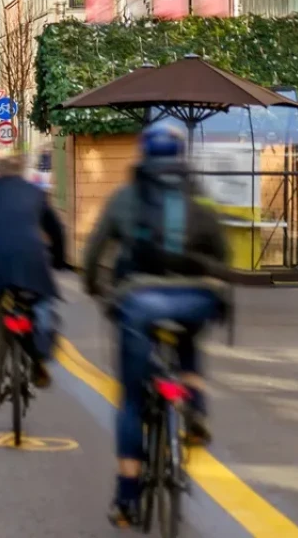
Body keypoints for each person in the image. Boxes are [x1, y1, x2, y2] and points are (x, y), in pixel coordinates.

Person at [82, 122, 230, 528]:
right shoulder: (197, 194)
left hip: (140, 303)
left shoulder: (126, 197)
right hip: (195, 299)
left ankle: (128, 497)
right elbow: (221, 253)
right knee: (188, 339)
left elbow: (95, 252)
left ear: (143, 154)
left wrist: (96, 288)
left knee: (132, 399)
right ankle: (194, 405)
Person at [0, 153, 69, 408]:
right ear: (22, 171)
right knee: (41, 309)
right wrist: (58, 261)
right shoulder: (36, 193)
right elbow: (56, 230)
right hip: (32, 265)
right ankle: (39, 362)